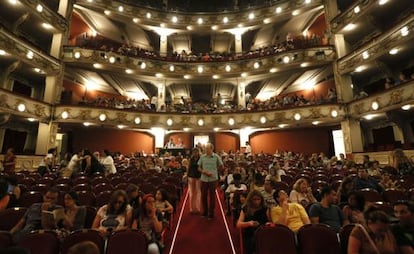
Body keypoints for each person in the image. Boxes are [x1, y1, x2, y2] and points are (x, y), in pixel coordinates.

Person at [236, 190, 268, 254]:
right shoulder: (245, 208)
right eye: (254, 199)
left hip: (263, 232)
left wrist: (266, 224)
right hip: (250, 233)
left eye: (258, 199)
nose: (256, 202)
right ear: (250, 200)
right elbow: (238, 224)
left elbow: (269, 222)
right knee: (253, 241)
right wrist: (249, 223)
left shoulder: (265, 208)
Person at [198, 143, 223, 219]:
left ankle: (211, 213)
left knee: (212, 196)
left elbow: (221, 166)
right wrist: (204, 172)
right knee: (203, 196)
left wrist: (216, 171)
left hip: (213, 179)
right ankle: (205, 211)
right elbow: (198, 168)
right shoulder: (202, 157)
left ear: (212, 149)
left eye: (207, 149)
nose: (206, 150)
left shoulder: (216, 157)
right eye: (205, 148)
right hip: (204, 179)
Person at [187, 148, 201, 215]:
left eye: (196, 152)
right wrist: (187, 176)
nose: (195, 153)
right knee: (192, 193)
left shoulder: (200, 159)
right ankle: (192, 208)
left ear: (198, 152)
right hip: (191, 177)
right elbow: (188, 168)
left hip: (198, 177)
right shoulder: (191, 159)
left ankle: (198, 208)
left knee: (198, 192)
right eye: (194, 152)